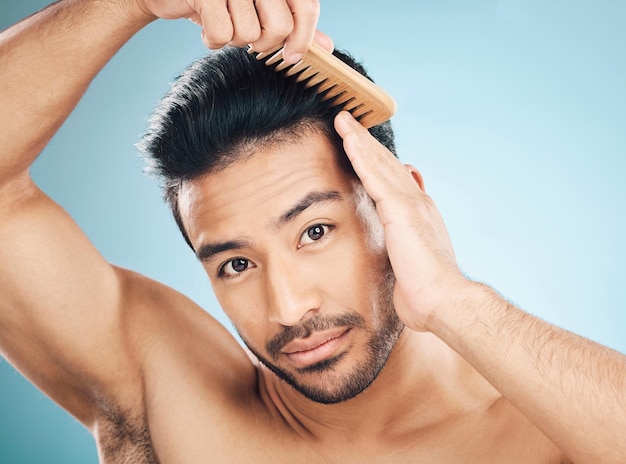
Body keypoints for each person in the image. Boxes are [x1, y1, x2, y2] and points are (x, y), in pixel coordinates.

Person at [0, 0, 624, 463]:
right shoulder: (164, 395)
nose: (289, 308)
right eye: (236, 263)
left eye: (315, 231)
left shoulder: (547, 436)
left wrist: (453, 302)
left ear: (400, 205)